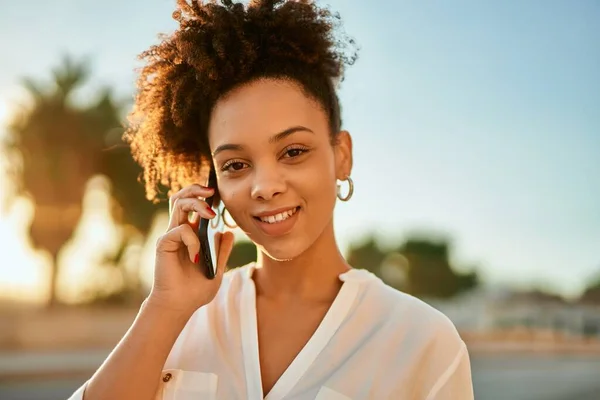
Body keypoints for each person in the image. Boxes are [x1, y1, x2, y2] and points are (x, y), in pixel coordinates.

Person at [69, 0, 474, 399]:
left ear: (341, 155)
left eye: (293, 152)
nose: (264, 186)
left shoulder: (423, 342)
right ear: (212, 186)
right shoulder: (180, 319)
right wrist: (165, 309)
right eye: (235, 165)